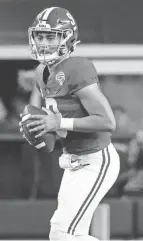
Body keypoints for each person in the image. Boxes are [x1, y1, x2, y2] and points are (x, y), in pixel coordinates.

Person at [19, 7, 120, 241]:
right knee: (66, 232)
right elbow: (52, 117)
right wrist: (40, 125)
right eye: (40, 36)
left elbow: (107, 121)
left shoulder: (77, 67)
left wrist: (58, 122)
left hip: (96, 159)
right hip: (72, 161)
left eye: (51, 36)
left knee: (63, 233)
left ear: (67, 37)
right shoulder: (40, 71)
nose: (44, 43)